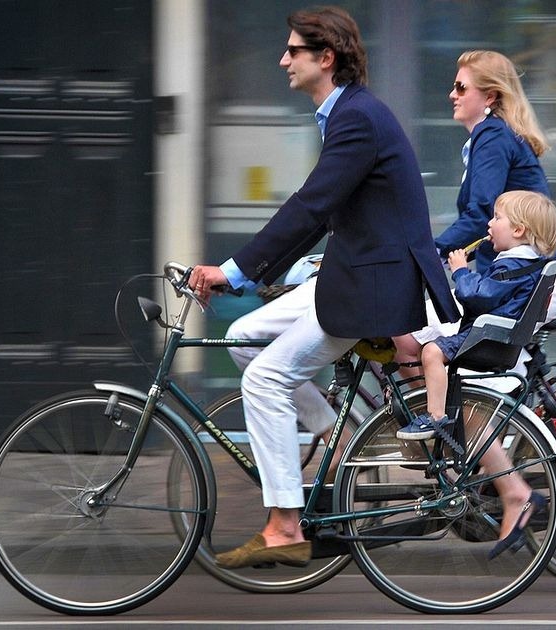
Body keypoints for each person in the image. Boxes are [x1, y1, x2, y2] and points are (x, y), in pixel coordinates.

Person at [189, 6, 459, 569]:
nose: (282, 60)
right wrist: (260, 275)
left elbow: (310, 205)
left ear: (326, 57)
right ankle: (343, 438)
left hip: (370, 288)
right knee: (243, 338)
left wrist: (233, 271)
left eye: (293, 50)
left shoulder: (356, 118)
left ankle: (284, 526)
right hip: (351, 274)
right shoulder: (345, 114)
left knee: (265, 378)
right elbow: (324, 213)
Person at [395, 189, 556, 557]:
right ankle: (506, 487)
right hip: (489, 335)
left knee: (431, 351)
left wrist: (460, 271)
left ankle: (435, 418)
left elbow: (479, 295)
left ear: (518, 230)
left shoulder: (511, 264)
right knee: (464, 407)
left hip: (486, 340)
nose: (489, 224)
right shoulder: (521, 262)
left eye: (497, 218)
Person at [392, 50, 556, 377]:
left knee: (405, 330)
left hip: (521, 281)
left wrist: (427, 253)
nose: (452, 94)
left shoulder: (492, 136)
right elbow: (486, 225)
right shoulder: (499, 135)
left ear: (490, 96)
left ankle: (434, 411)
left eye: (461, 88)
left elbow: (479, 214)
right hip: (527, 278)